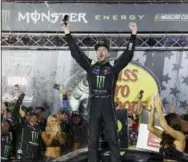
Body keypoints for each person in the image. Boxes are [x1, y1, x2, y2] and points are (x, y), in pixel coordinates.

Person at [62, 21, 137, 162]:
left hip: (108, 106)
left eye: (103, 50)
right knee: (92, 142)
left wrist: (133, 34)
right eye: (98, 50)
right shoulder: (90, 65)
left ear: (108, 53)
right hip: (94, 106)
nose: (100, 52)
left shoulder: (114, 66)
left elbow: (128, 54)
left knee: (113, 139)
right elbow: (76, 52)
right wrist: (67, 33)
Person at [148, 94, 186, 161]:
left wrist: (159, 107)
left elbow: (164, 126)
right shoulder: (166, 136)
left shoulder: (181, 137)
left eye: (167, 125)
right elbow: (150, 127)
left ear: (172, 125)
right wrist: (153, 109)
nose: (163, 130)